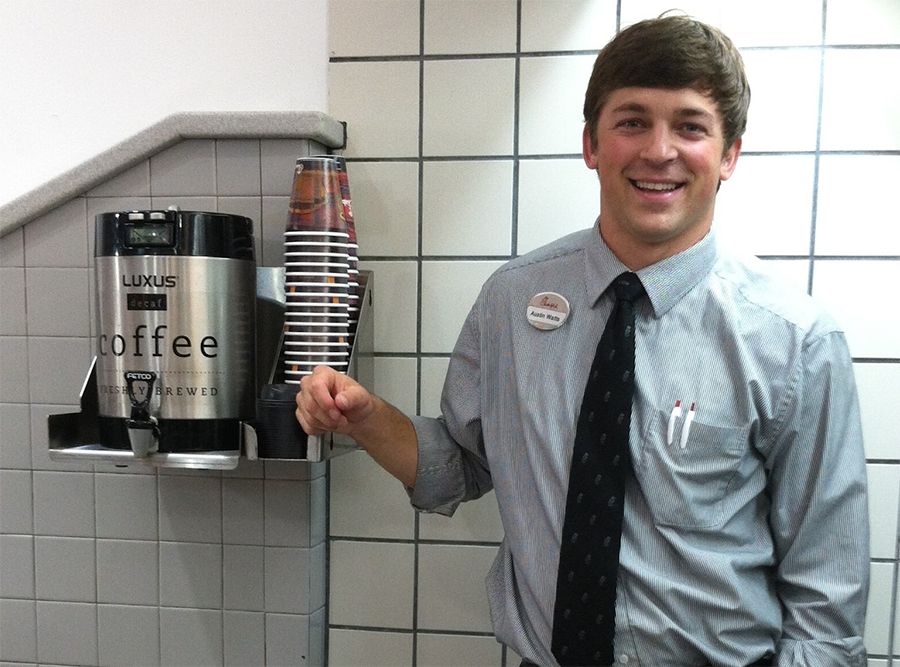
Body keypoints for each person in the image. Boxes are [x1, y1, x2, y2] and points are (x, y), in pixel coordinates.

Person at [296, 14, 869, 667]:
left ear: (730, 154)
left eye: (690, 125)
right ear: (591, 144)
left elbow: (828, 619)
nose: (659, 150)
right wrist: (367, 419)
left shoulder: (795, 342)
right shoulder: (513, 300)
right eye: (632, 121)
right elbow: (459, 465)